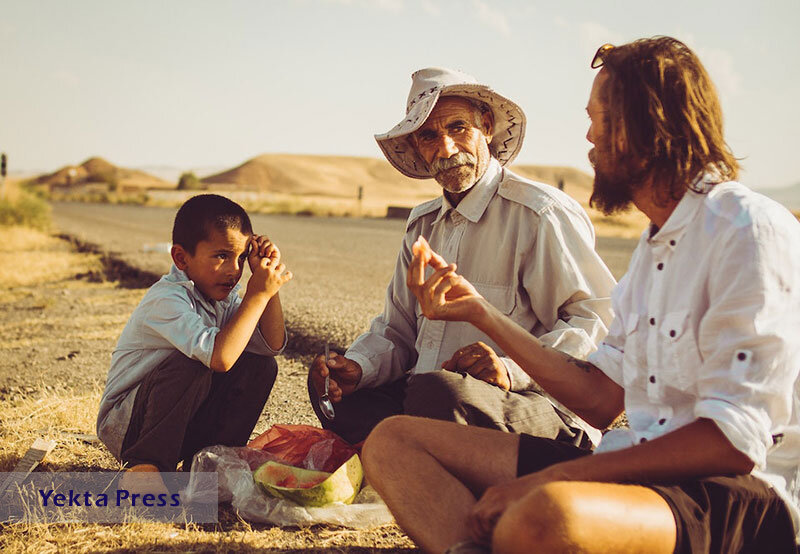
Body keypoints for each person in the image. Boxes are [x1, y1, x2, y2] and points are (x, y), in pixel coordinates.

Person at [362, 37, 800, 554]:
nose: (589, 137)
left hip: (733, 498)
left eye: (602, 119)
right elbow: (597, 401)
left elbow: (733, 443)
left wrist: (558, 477)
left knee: (545, 515)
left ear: (651, 122)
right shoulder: (654, 247)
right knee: (392, 442)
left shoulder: (747, 229)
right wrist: (480, 313)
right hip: (634, 463)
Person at [307, 67, 616, 446]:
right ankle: (408, 461)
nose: (446, 149)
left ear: (486, 126)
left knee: (438, 395)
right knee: (334, 391)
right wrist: (357, 368)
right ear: (417, 147)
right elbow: (397, 330)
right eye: (429, 136)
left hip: (530, 405)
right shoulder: (422, 225)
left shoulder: (539, 214)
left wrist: (509, 370)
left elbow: (593, 322)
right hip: (436, 401)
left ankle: (410, 463)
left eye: (458, 128)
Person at [96, 194, 292, 490]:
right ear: (181, 258)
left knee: (261, 366)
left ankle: (213, 465)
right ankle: (146, 470)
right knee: (197, 362)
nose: (234, 270)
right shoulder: (168, 299)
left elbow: (271, 345)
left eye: (240, 258)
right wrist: (257, 294)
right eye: (221, 256)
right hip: (128, 426)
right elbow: (220, 358)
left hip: (181, 421)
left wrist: (268, 284)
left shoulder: (221, 300)